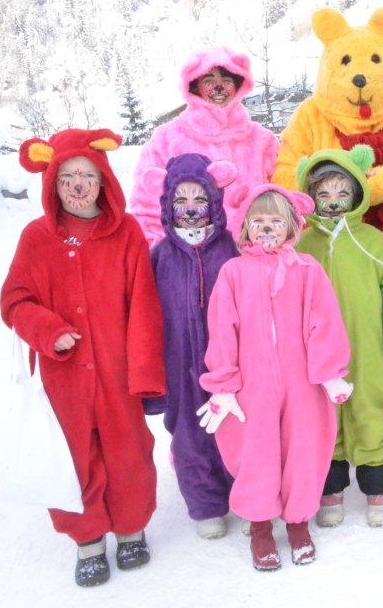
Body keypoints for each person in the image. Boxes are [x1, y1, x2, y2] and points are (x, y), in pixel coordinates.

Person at [2, 129, 165, 586]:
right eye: (67, 177)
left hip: (116, 371)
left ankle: (131, 528)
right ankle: (88, 539)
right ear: (52, 184)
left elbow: (144, 305)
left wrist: (144, 371)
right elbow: (14, 301)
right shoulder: (36, 237)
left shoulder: (126, 232)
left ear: (104, 181)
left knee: (129, 452)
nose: (78, 185)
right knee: (75, 455)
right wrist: (47, 330)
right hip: (63, 377)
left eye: (88, 176)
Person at [198, 184, 352, 571]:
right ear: (245, 227)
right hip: (253, 387)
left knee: (304, 449)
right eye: (259, 221)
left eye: (276, 221)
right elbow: (222, 329)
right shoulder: (233, 273)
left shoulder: (306, 270)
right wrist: (224, 384)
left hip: (303, 384)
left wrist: (330, 372)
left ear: (291, 227)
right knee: (257, 454)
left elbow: (324, 321)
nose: (267, 228)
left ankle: (298, 524)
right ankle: (261, 526)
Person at [295, 145, 383, 528]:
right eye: (323, 193)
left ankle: (378, 484)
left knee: (370, 409)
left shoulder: (377, 244)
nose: (333, 201)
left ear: (357, 194)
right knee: (324, 416)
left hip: (367, 347)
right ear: (310, 196)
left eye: (343, 192)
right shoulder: (300, 246)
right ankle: (331, 486)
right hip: (316, 354)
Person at [272, 7, 383, 239]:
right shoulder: (310, 116)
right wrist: (328, 187)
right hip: (326, 245)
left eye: (376, 59)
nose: (360, 76)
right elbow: (284, 175)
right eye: (345, 61)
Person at [143, 153, 239, 539]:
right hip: (179, 362)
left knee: (236, 426)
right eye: (180, 200)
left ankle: (244, 494)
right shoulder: (159, 256)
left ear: (214, 201)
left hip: (229, 362)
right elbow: (145, 315)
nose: (190, 208)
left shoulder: (231, 248)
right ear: (167, 204)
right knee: (189, 433)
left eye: (199, 198)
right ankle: (206, 504)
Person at [130, 46, 278, 244]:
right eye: (209, 81)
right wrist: (162, 250)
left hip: (253, 254)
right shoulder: (166, 138)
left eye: (227, 81)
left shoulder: (262, 140)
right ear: (194, 87)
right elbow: (146, 203)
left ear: (239, 85)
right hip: (189, 256)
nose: (219, 88)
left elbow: (281, 200)